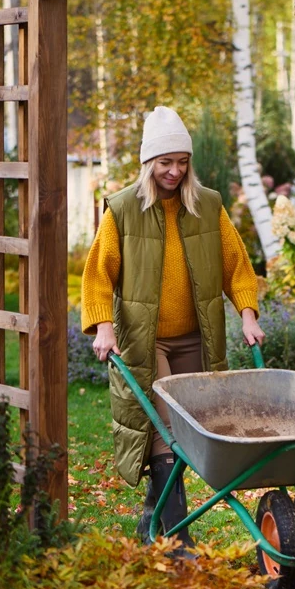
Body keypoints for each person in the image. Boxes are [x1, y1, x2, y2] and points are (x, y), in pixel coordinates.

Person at [81, 106, 265, 549]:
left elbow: (236, 265)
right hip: (148, 342)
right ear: (149, 163)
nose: (175, 171)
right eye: (166, 162)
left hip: (196, 338)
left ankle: (153, 519)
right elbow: (98, 275)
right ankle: (179, 543)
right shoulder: (123, 210)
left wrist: (247, 314)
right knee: (169, 432)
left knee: (185, 436)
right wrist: (103, 327)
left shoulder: (208, 206)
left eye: (182, 162)